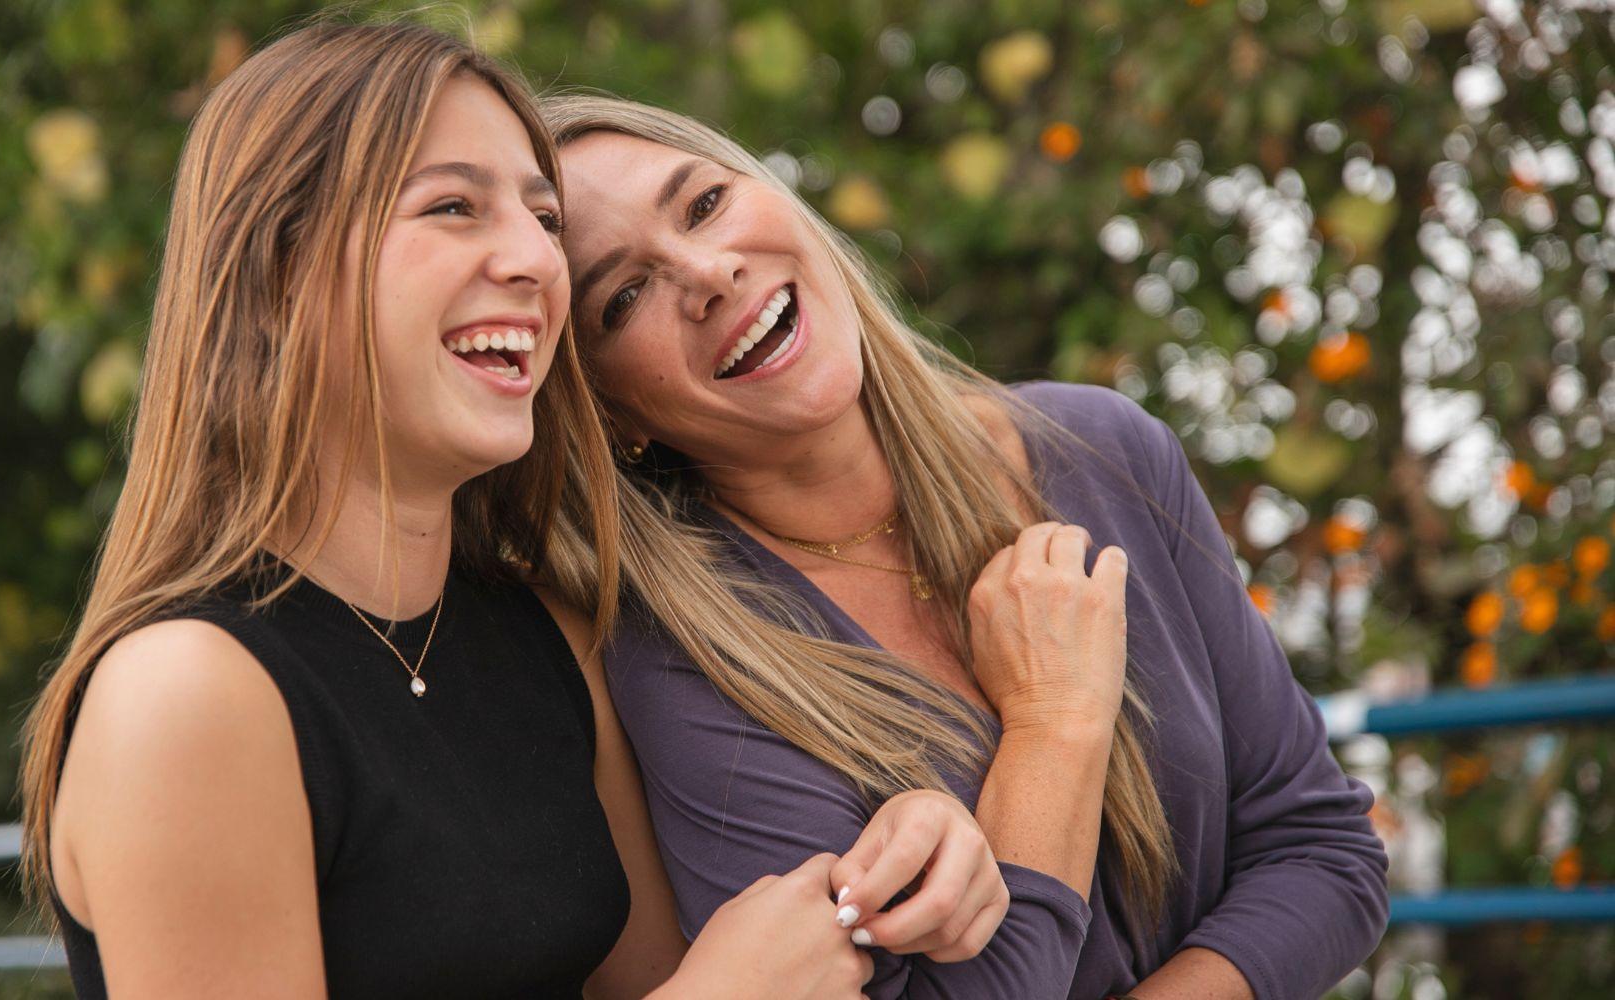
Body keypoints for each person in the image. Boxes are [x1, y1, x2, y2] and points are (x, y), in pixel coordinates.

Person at [17, 22, 1006, 1000]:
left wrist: (890, 863)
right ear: (278, 275)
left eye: (540, 219)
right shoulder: (187, 696)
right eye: (453, 205)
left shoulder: (555, 640)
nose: (536, 262)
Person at [540, 92, 1391, 1000]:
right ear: (611, 411)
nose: (708, 271)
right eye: (623, 297)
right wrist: (1053, 728)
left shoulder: (1103, 448)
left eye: (704, 203)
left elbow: (1325, 852)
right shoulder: (680, 660)